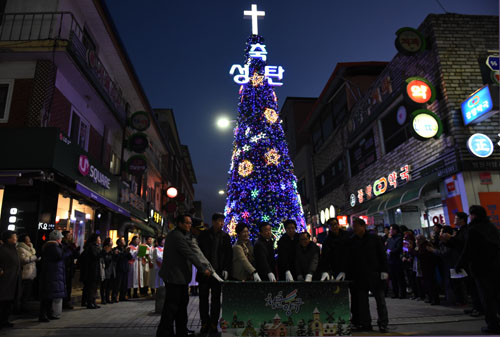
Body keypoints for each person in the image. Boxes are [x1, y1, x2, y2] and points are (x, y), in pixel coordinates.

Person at [156, 214, 213, 337]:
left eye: (190, 223)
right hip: (174, 277)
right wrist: (203, 269)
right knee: (171, 307)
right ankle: (165, 332)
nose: (189, 225)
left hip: (179, 277)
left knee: (181, 306)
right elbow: (190, 254)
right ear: (180, 224)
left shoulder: (181, 235)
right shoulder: (177, 237)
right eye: (187, 223)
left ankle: (181, 330)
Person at [457, 205, 500, 334]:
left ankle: (492, 325)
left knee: (486, 298)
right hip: (496, 266)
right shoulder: (491, 227)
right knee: (497, 295)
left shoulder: (473, 229)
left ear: (473, 215)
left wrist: (459, 264)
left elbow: (468, 250)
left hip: (481, 268)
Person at [347, 218, 389, 333]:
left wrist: (384, 271)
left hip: (375, 274)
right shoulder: (352, 240)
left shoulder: (374, 238)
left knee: (380, 300)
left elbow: (382, 255)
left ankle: (383, 323)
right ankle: (366, 323)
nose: (354, 228)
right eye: (353, 226)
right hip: (360, 276)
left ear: (363, 226)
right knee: (362, 302)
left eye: (355, 226)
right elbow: (351, 260)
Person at [196, 213, 233, 333]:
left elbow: (228, 255)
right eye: (219, 221)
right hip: (205, 272)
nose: (221, 223)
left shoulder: (225, 237)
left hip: (218, 273)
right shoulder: (204, 235)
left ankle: (213, 323)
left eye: (223, 221)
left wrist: (226, 269)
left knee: (216, 300)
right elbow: (198, 254)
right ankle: (204, 323)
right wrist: (202, 268)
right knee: (203, 299)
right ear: (213, 221)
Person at [39, 230, 70, 321]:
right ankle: (44, 314)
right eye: (60, 238)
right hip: (52, 274)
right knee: (47, 296)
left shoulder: (51, 246)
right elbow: (60, 256)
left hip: (53, 273)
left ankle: (48, 313)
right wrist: (67, 252)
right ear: (57, 239)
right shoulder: (53, 247)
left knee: (50, 296)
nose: (61, 240)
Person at [0, 231, 21, 329]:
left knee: (8, 302)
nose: (16, 239)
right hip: (5, 280)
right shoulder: (3, 249)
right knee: (3, 302)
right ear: (8, 239)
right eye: (14, 237)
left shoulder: (14, 249)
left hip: (13, 279)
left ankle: (5, 320)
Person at [16, 234, 38, 312]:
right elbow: (23, 260)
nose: (29, 240)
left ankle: (24, 307)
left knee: (27, 292)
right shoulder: (21, 249)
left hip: (31, 272)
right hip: (25, 273)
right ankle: (20, 308)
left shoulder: (31, 248)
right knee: (23, 292)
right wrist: (34, 257)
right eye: (27, 238)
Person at [81, 234, 102, 309]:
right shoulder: (91, 247)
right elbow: (95, 256)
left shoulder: (95, 247)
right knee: (91, 287)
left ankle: (93, 301)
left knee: (94, 286)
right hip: (91, 270)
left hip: (94, 269)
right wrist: (103, 252)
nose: (100, 240)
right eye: (99, 238)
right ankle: (90, 302)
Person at [386, 224, 406, 298]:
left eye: (391, 229)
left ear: (395, 230)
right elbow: (387, 248)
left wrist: (390, 251)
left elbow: (398, 248)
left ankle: (402, 293)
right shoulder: (390, 239)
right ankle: (395, 293)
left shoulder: (399, 238)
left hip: (397, 260)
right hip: (390, 261)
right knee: (393, 278)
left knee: (399, 278)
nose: (390, 231)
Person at [61, 231, 79, 309]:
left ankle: (67, 301)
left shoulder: (71, 245)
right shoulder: (62, 245)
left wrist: (75, 251)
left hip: (70, 267)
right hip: (65, 267)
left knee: (68, 286)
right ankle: (64, 302)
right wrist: (71, 251)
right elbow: (64, 255)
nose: (70, 237)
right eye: (68, 235)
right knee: (65, 286)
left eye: (70, 235)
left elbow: (75, 256)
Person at [113, 237, 132, 302]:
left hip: (125, 268)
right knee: (117, 284)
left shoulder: (125, 249)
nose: (124, 242)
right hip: (119, 268)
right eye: (122, 241)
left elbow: (130, 258)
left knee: (124, 284)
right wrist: (125, 252)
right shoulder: (116, 249)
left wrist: (128, 252)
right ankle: (114, 297)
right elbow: (119, 258)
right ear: (119, 243)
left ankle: (122, 296)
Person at [100, 238, 115, 304]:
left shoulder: (112, 251)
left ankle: (107, 298)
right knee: (103, 286)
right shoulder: (104, 250)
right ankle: (103, 299)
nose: (112, 243)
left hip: (111, 270)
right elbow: (106, 261)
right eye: (110, 242)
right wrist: (107, 252)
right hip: (105, 270)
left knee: (109, 286)